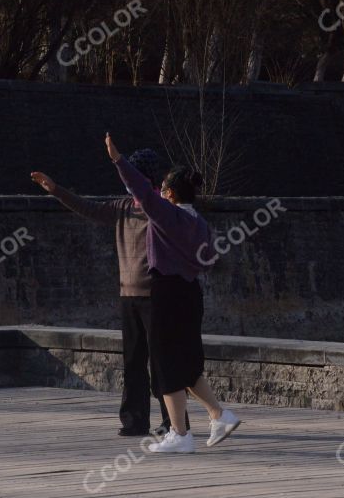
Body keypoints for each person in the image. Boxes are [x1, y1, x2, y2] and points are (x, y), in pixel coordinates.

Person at [31, 153, 190, 437]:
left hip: (157, 296)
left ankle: (174, 421)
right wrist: (56, 190)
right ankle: (134, 419)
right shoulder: (122, 208)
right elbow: (88, 208)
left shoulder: (161, 210)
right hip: (129, 295)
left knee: (162, 362)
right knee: (133, 361)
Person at [105, 132, 241, 453]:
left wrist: (117, 160)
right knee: (187, 364)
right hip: (191, 294)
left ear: (168, 192)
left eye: (163, 188)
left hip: (166, 293)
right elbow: (209, 261)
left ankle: (180, 435)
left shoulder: (167, 215)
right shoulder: (200, 223)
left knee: (165, 364)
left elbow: (140, 190)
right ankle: (218, 415)